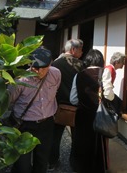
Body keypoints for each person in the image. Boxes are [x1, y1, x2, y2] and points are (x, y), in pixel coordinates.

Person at [8, 47, 61, 173]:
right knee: (22, 166)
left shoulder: (56, 73)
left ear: (50, 63)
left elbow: (56, 91)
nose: (39, 71)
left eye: (43, 67)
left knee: (42, 162)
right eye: (35, 67)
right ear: (29, 64)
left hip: (46, 124)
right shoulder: (21, 80)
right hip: (24, 125)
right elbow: (9, 101)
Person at [70, 49, 114, 173]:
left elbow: (73, 99)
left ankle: (80, 167)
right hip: (99, 116)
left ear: (87, 60)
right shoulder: (104, 73)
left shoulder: (79, 75)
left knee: (81, 141)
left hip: (82, 115)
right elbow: (110, 96)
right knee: (97, 144)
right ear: (101, 60)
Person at [49, 39, 84, 171]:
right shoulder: (81, 65)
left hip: (59, 106)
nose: (82, 52)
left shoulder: (56, 64)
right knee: (77, 137)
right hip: (77, 107)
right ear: (74, 50)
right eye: (81, 50)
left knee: (55, 136)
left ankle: (52, 162)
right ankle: (75, 163)